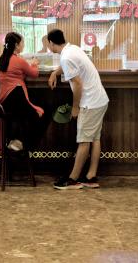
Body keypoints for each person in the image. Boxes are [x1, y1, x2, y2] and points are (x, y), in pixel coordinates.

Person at [46, 29, 109, 190]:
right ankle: (91, 177)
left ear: (51, 43)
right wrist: (55, 72)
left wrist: (75, 108)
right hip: (99, 100)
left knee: (83, 140)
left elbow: (78, 84)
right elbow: (69, 66)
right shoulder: (72, 49)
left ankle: (72, 179)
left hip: (90, 103)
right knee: (94, 138)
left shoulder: (66, 56)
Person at [0, 32, 46, 153]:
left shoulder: (0, 60)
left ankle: (16, 141)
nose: (23, 45)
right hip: (16, 100)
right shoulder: (19, 61)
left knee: (27, 117)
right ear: (16, 45)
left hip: (3, 102)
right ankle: (22, 145)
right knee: (41, 114)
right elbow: (34, 74)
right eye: (22, 43)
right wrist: (35, 64)